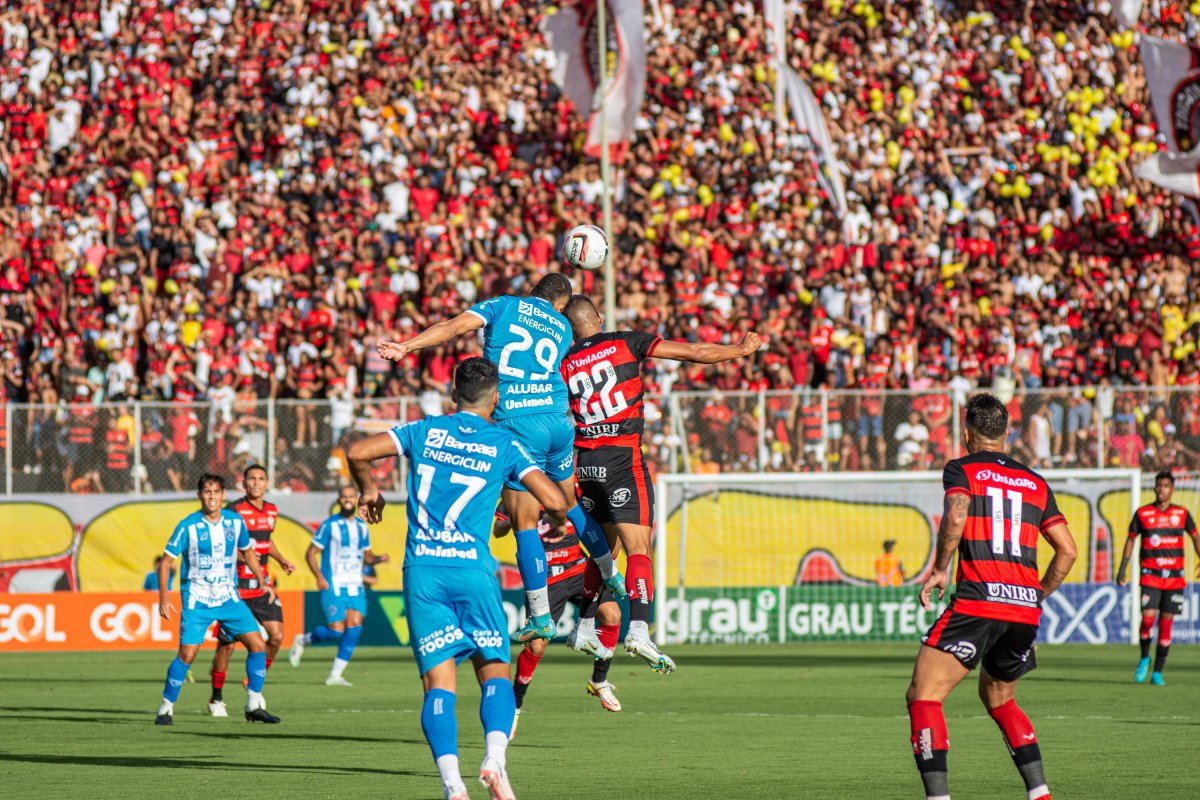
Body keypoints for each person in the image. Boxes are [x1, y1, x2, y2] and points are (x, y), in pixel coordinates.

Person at [344, 357, 570, 800]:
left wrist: (369, 489)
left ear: (453, 394)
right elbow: (553, 498)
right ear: (497, 398)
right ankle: (495, 760)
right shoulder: (504, 443)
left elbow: (357, 453)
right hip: (473, 571)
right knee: (494, 672)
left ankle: (453, 787)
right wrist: (556, 518)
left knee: (438, 682)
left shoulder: (423, 430)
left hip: (423, 570)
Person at [376, 274, 626, 644]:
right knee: (570, 503)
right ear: (559, 304)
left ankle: (540, 615)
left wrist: (406, 346)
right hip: (558, 421)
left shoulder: (503, 306)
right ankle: (610, 572)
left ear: (532, 293)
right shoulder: (561, 325)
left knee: (524, 520)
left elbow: (451, 328)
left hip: (519, 421)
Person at [560, 295, 759, 671]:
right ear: (598, 318)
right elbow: (694, 352)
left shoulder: (565, 361)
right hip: (622, 457)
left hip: (585, 461)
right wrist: (740, 349)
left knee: (607, 549)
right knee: (638, 546)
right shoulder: (624, 340)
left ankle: (584, 625)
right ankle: (638, 628)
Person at [907, 394, 1076, 800]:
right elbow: (1067, 551)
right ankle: (1040, 793)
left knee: (924, 695)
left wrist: (940, 568)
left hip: (979, 599)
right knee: (999, 697)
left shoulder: (961, 468)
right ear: (1005, 433)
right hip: (1023, 609)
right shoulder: (1036, 482)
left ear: (967, 433)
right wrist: (1035, 596)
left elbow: (957, 514)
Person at [154, 473, 280, 725]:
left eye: (216, 492)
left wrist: (263, 580)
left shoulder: (235, 522)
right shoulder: (188, 525)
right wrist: (164, 597)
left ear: (223, 495)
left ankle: (253, 704)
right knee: (187, 655)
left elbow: (248, 552)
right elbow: (166, 562)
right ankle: (166, 708)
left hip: (228, 598)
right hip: (197, 600)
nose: (212, 497)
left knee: (257, 645)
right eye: (207, 492)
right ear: (199, 495)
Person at [493, 510, 623, 739]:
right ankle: (514, 706)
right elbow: (498, 531)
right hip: (546, 578)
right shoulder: (520, 491)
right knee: (536, 647)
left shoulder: (564, 489)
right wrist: (515, 518)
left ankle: (599, 680)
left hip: (577, 568)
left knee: (612, 615)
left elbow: (566, 525)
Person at [208, 464, 296, 716]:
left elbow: (267, 540)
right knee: (226, 646)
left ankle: (252, 685)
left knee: (277, 637)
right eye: (252, 479)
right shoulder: (233, 510)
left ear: (267, 483)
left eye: (261, 479)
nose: (256, 483)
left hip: (262, 586)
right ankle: (216, 697)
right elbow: (222, 542)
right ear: (243, 483)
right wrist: (244, 557)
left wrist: (280, 559)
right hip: (236, 589)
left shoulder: (271, 510)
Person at [288, 485, 389, 686]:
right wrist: (318, 576)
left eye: (351, 496)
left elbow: (366, 557)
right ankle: (303, 640)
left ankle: (335, 675)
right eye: (344, 497)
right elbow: (310, 552)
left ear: (357, 499)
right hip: (333, 583)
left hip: (355, 585)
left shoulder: (362, 527)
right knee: (336, 630)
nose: (348, 500)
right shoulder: (329, 525)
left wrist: (378, 559)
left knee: (354, 627)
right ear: (339, 500)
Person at [1116, 470, 1200, 685]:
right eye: (1158, 485)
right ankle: (1145, 657)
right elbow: (1130, 540)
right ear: (1154, 488)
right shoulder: (1143, 513)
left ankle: (1158, 672)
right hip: (1150, 576)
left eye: (1165, 486)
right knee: (1147, 620)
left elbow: (1195, 537)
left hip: (1174, 579)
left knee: (1166, 625)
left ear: (1172, 489)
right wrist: (1123, 568)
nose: (1161, 489)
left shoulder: (1182, 514)